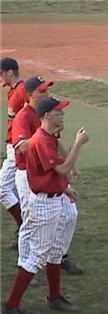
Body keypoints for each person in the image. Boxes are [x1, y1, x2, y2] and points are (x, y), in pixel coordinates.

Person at [1, 96, 89, 314]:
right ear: (47, 115)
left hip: (53, 198)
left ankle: (54, 297)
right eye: (58, 112)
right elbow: (62, 168)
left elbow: (51, 173)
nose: (62, 116)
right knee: (37, 256)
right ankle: (9, 307)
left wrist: (65, 188)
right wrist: (77, 144)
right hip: (43, 204)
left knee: (53, 251)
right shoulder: (41, 139)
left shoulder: (47, 137)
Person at [12, 76, 84, 286]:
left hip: (48, 172)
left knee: (70, 213)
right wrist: (40, 140)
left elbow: (55, 142)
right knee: (29, 223)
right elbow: (22, 148)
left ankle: (57, 258)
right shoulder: (24, 118)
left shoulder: (47, 121)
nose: (46, 94)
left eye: (46, 91)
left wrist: (65, 165)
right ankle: (25, 264)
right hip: (29, 174)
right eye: (42, 91)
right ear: (29, 95)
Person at [0, 57, 26, 249]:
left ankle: (25, 227)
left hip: (17, 149)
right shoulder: (14, 91)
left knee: (3, 188)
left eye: (0, 73)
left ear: (10, 72)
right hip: (13, 147)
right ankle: (25, 226)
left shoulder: (22, 92)